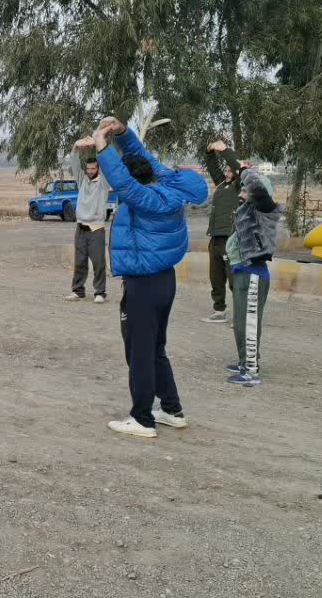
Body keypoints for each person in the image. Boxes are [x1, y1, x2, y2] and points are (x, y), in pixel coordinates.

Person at [90, 117, 208, 438]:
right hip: (164, 281)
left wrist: (102, 147)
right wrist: (123, 134)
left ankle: (142, 418)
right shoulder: (171, 188)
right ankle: (172, 409)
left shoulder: (146, 198)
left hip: (143, 284)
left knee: (139, 351)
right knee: (155, 348)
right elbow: (146, 160)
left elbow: (124, 183)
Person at [224, 168, 284, 386]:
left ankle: (250, 370)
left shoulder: (265, 210)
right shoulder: (248, 210)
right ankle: (245, 361)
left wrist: (242, 169)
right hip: (243, 273)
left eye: (245, 190)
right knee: (240, 322)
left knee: (248, 323)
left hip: (253, 274)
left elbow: (257, 189)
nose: (241, 193)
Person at [201, 139, 243, 323]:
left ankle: (240, 315)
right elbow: (213, 168)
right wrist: (210, 152)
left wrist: (224, 150)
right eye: (226, 170)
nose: (227, 173)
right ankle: (219, 310)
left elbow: (238, 166)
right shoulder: (221, 184)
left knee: (234, 280)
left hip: (230, 238)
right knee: (216, 278)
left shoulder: (239, 186)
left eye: (230, 171)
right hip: (216, 238)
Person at [64, 147, 111, 303]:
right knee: (79, 262)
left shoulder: (103, 182)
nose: (90, 171)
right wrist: (75, 148)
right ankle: (78, 291)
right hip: (81, 228)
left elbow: (105, 165)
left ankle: (100, 293)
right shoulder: (82, 180)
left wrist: (98, 145)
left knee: (98, 262)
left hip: (96, 228)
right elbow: (75, 164)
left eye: (94, 168)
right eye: (88, 168)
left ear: (98, 168)